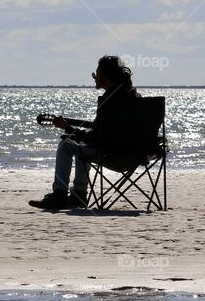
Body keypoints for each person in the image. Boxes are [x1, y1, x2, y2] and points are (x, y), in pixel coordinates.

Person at [29, 55, 141, 210]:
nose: (94, 78)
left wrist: (68, 129)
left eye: (96, 74)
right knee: (82, 145)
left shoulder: (108, 101)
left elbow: (94, 137)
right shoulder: (135, 97)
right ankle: (78, 196)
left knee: (66, 145)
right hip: (137, 154)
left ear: (104, 77)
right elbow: (108, 130)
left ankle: (62, 195)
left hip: (112, 154)